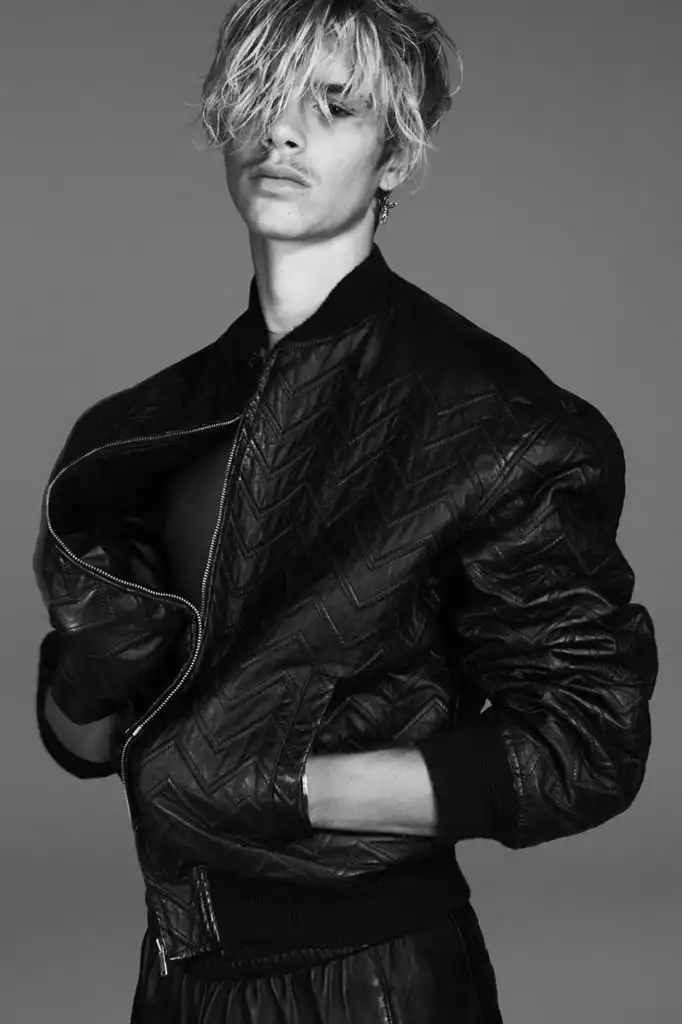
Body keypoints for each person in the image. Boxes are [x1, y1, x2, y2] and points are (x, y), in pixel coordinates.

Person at [32, 1, 659, 1021]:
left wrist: (284, 787)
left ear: (394, 157)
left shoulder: (498, 421)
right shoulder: (138, 430)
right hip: (176, 979)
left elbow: (584, 744)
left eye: (334, 105)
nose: (283, 131)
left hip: (374, 982)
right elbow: (88, 746)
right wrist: (94, 663)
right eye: (263, 97)